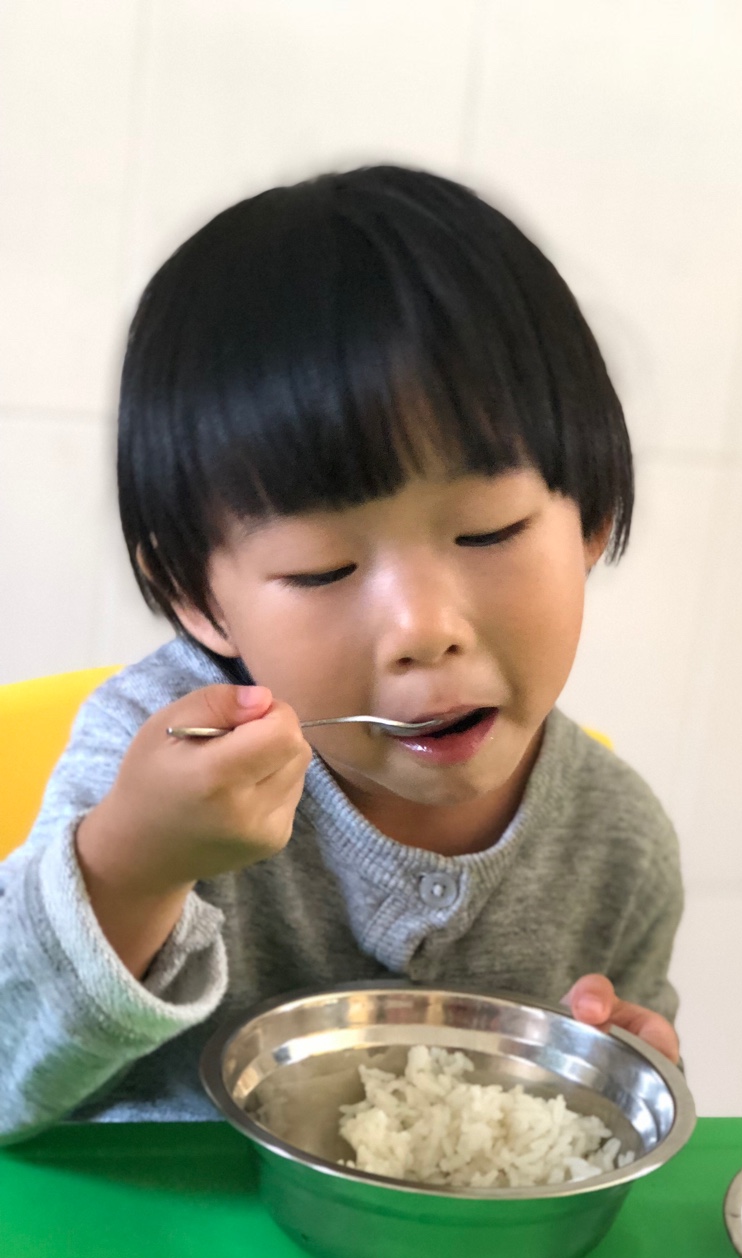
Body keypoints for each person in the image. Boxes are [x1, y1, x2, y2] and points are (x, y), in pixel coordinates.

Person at [0, 165, 682, 1140]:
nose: (424, 628)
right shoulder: (146, 758)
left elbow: (618, 1113)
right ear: (200, 599)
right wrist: (134, 865)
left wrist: (632, 1074)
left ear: (592, 519)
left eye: (488, 531)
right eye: (323, 569)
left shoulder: (619, 844)